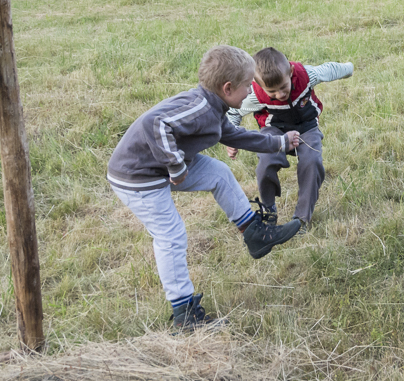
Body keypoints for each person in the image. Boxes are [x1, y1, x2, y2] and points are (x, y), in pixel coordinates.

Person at [107, 45, 304, 329]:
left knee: (219, 173)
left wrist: (280, 143)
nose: (251, 91)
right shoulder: (200, 108)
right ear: (227, 88)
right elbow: (155, 123)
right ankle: (185, 314)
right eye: (247, 85)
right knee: (171, 236)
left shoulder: (214, 107)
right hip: (137, 175)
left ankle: (256, 234)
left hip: (160, 167)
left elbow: (234, 135)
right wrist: (176, 165)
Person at [224, 47, 353, 226]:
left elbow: (329, 69)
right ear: (259, 84)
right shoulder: (255, 95)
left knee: (312, 162)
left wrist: (348, 68)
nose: (280, 94)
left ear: (290, 72)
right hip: (274, 130)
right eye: (272, 92)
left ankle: (301, 219)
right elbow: (234, 112)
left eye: (284, 87)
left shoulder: (306, 76)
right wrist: (231, 139)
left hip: (306, 127)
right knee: (266, 161)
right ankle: (269, 209)